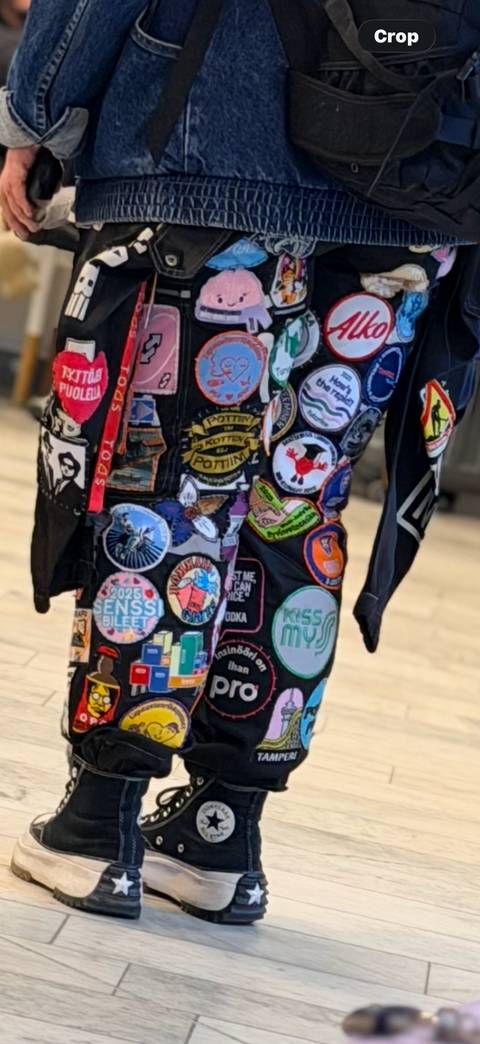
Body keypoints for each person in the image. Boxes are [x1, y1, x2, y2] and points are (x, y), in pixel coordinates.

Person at [0, 0, 478, 924]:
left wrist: (35, 113)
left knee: (174, 499)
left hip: (214, 156)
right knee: (299, 499)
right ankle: (223, 828)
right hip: (414, 184)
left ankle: (100, 823)